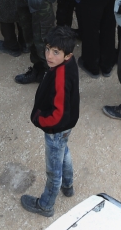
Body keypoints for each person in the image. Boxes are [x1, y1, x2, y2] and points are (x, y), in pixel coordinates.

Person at [20, 26, 80, 218]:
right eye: (47, 49)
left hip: (56, 128)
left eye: (56, 52)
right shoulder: (67, 64)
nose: (49, 56)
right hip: (66, 127)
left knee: (53, 170)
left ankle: (46, 205)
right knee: (64, 153)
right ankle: (68, 185)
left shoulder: (60, 76)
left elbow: (58, 114)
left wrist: (39, 119)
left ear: (68, 55)